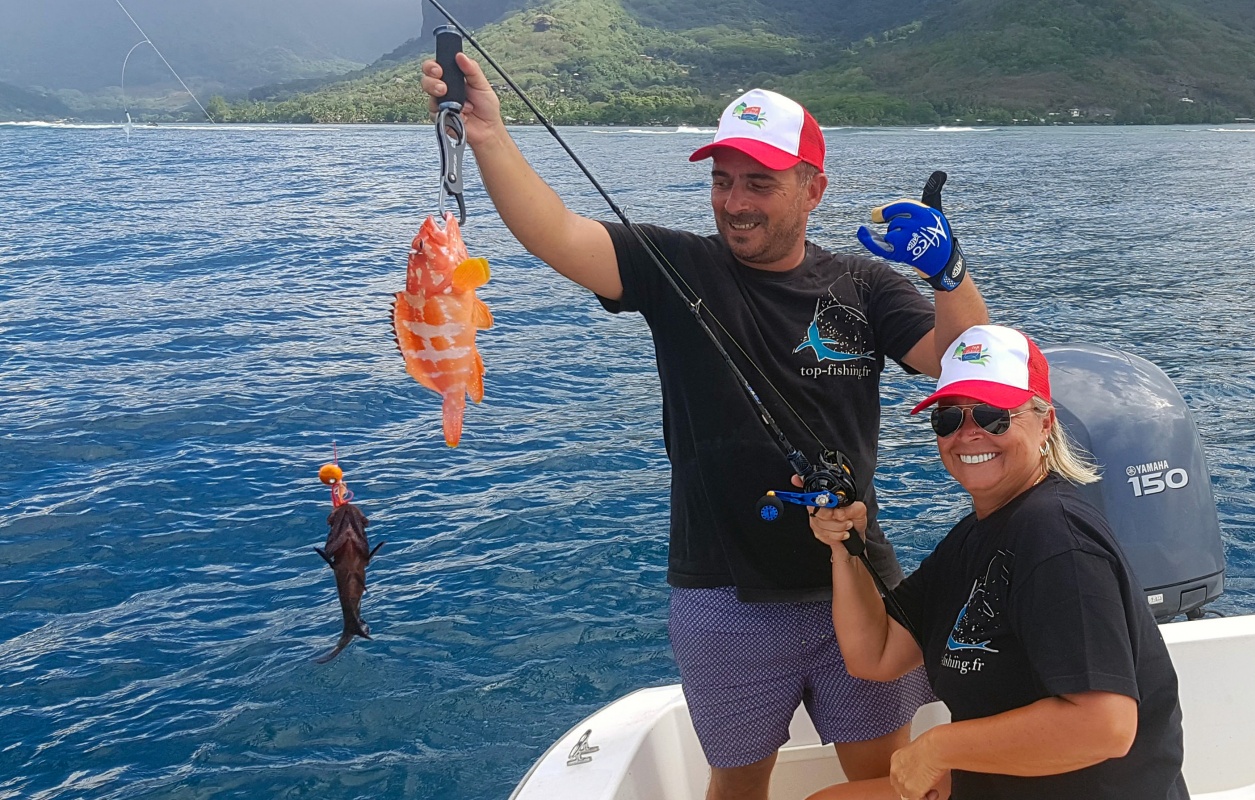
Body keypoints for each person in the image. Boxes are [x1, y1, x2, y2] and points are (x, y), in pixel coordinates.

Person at [420, 56, 990, 800]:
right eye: (722, 180)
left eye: (759, 181)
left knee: (889, 780)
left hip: (853, 577)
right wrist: (490, 137)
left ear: (813, 188)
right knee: (736, 781)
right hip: (723, 595)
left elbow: (967, 368)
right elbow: (556, 233)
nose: (735, 202)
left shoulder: (864, 285)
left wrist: (949, 274)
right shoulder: (673, 264)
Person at [807, 324, 1188, 800]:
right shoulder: (977, 535)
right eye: (948, 419)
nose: (968, 435)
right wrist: (846, 549)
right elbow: (875, 655)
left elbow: (1105, 726)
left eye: (992, 416)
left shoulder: (1058, 540)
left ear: (1045, 423)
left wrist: (939, 749)